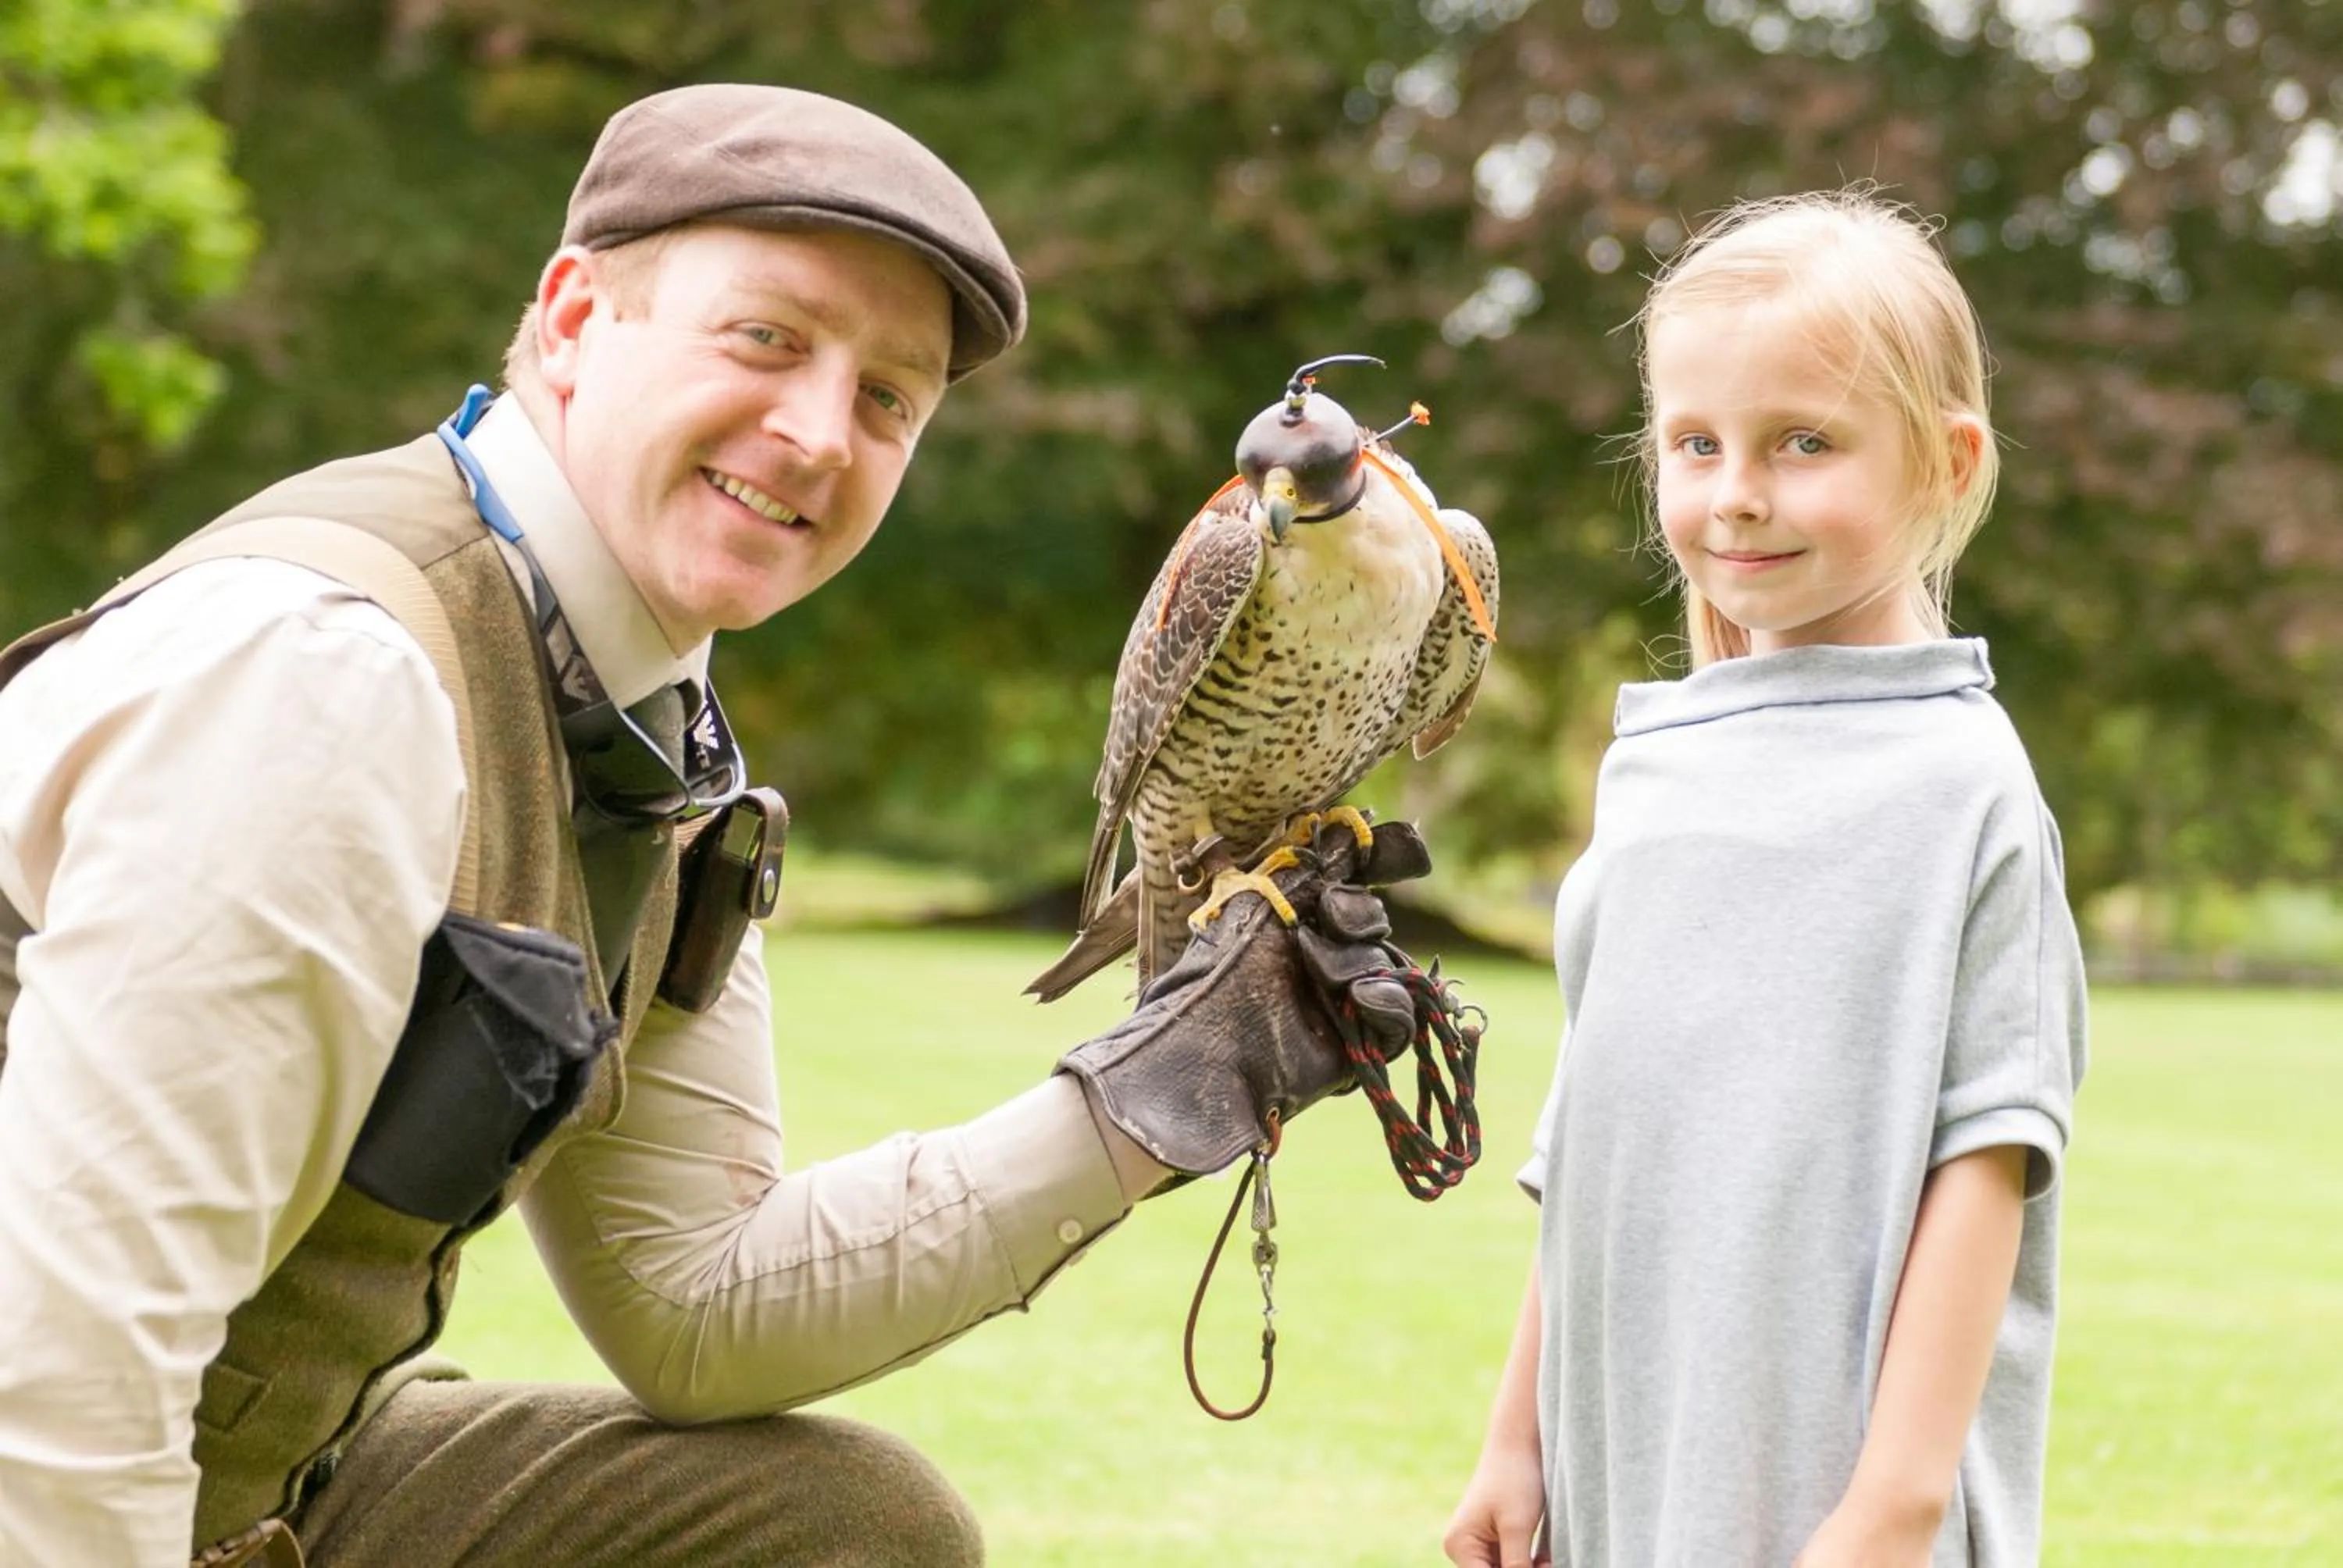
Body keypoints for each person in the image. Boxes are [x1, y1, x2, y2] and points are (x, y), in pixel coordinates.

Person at [0, 83, 1435, 1568]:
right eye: (766, 337)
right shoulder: (330, 683)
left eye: (889, 397)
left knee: (840, 1528)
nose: (819, 432)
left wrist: (1153, 1095)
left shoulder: (641, 725)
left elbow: (698, 1307)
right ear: (570, 320)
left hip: (252, 1471)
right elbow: (56, 1380)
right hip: (65, 1470)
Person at [1441, 190, 2088, 1568]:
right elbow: (1597, 1140)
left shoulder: (1961, 788)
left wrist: (1893, 1510)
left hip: (1837, 1496)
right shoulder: (1656, 775)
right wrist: (1518, 1437)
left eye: (1804, 443)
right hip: (1634, 1462)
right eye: (1695, 442)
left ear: (1947, 465)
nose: (1736, 491)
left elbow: (1989, 1166)